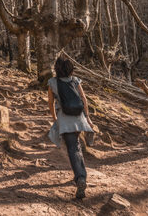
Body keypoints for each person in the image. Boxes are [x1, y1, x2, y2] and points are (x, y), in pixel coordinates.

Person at [47, 57, 95, 199]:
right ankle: (81, 175)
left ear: (57, 68)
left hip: (65, 120)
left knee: (73, 148)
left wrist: (55, 118)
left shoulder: (52, 82)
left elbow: (50, 103)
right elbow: (84, 99)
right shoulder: (75, 80)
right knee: (77, 147)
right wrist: (88, 117)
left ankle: (80, 178)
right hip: (79, 118)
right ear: (70, 68)